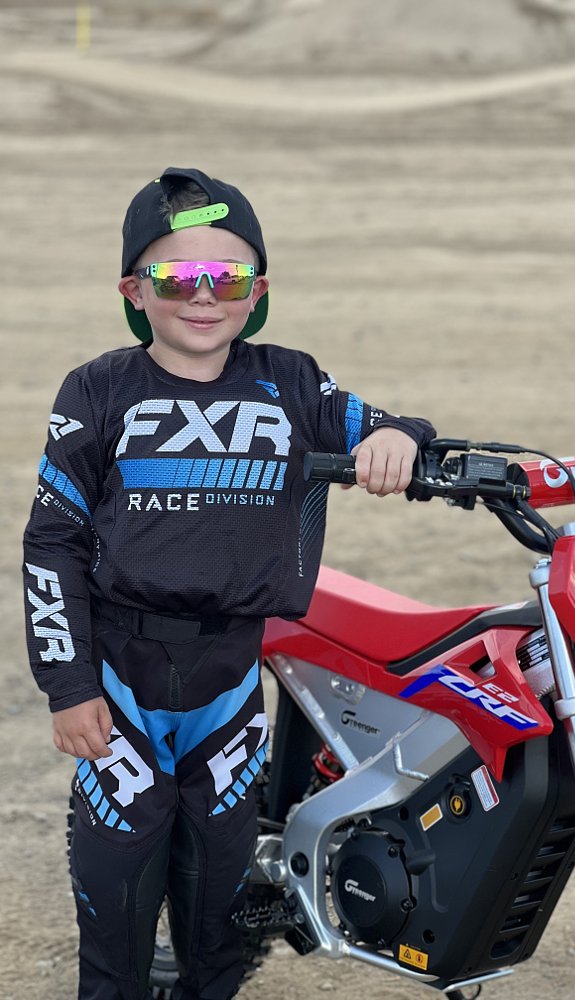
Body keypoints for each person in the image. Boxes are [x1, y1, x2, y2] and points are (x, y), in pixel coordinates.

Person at [22, 166, 435, 1000]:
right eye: (179, 278)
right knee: (119, 897)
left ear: (259, 292)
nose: (205, 295)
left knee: (218, 908)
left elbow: (392, 425)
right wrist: (68, 687)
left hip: (232, 681)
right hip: (122, 679)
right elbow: (52, 544)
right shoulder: (98, 389)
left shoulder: (291, 381)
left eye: (230, 277)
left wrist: (400, 438)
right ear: (136, 290)